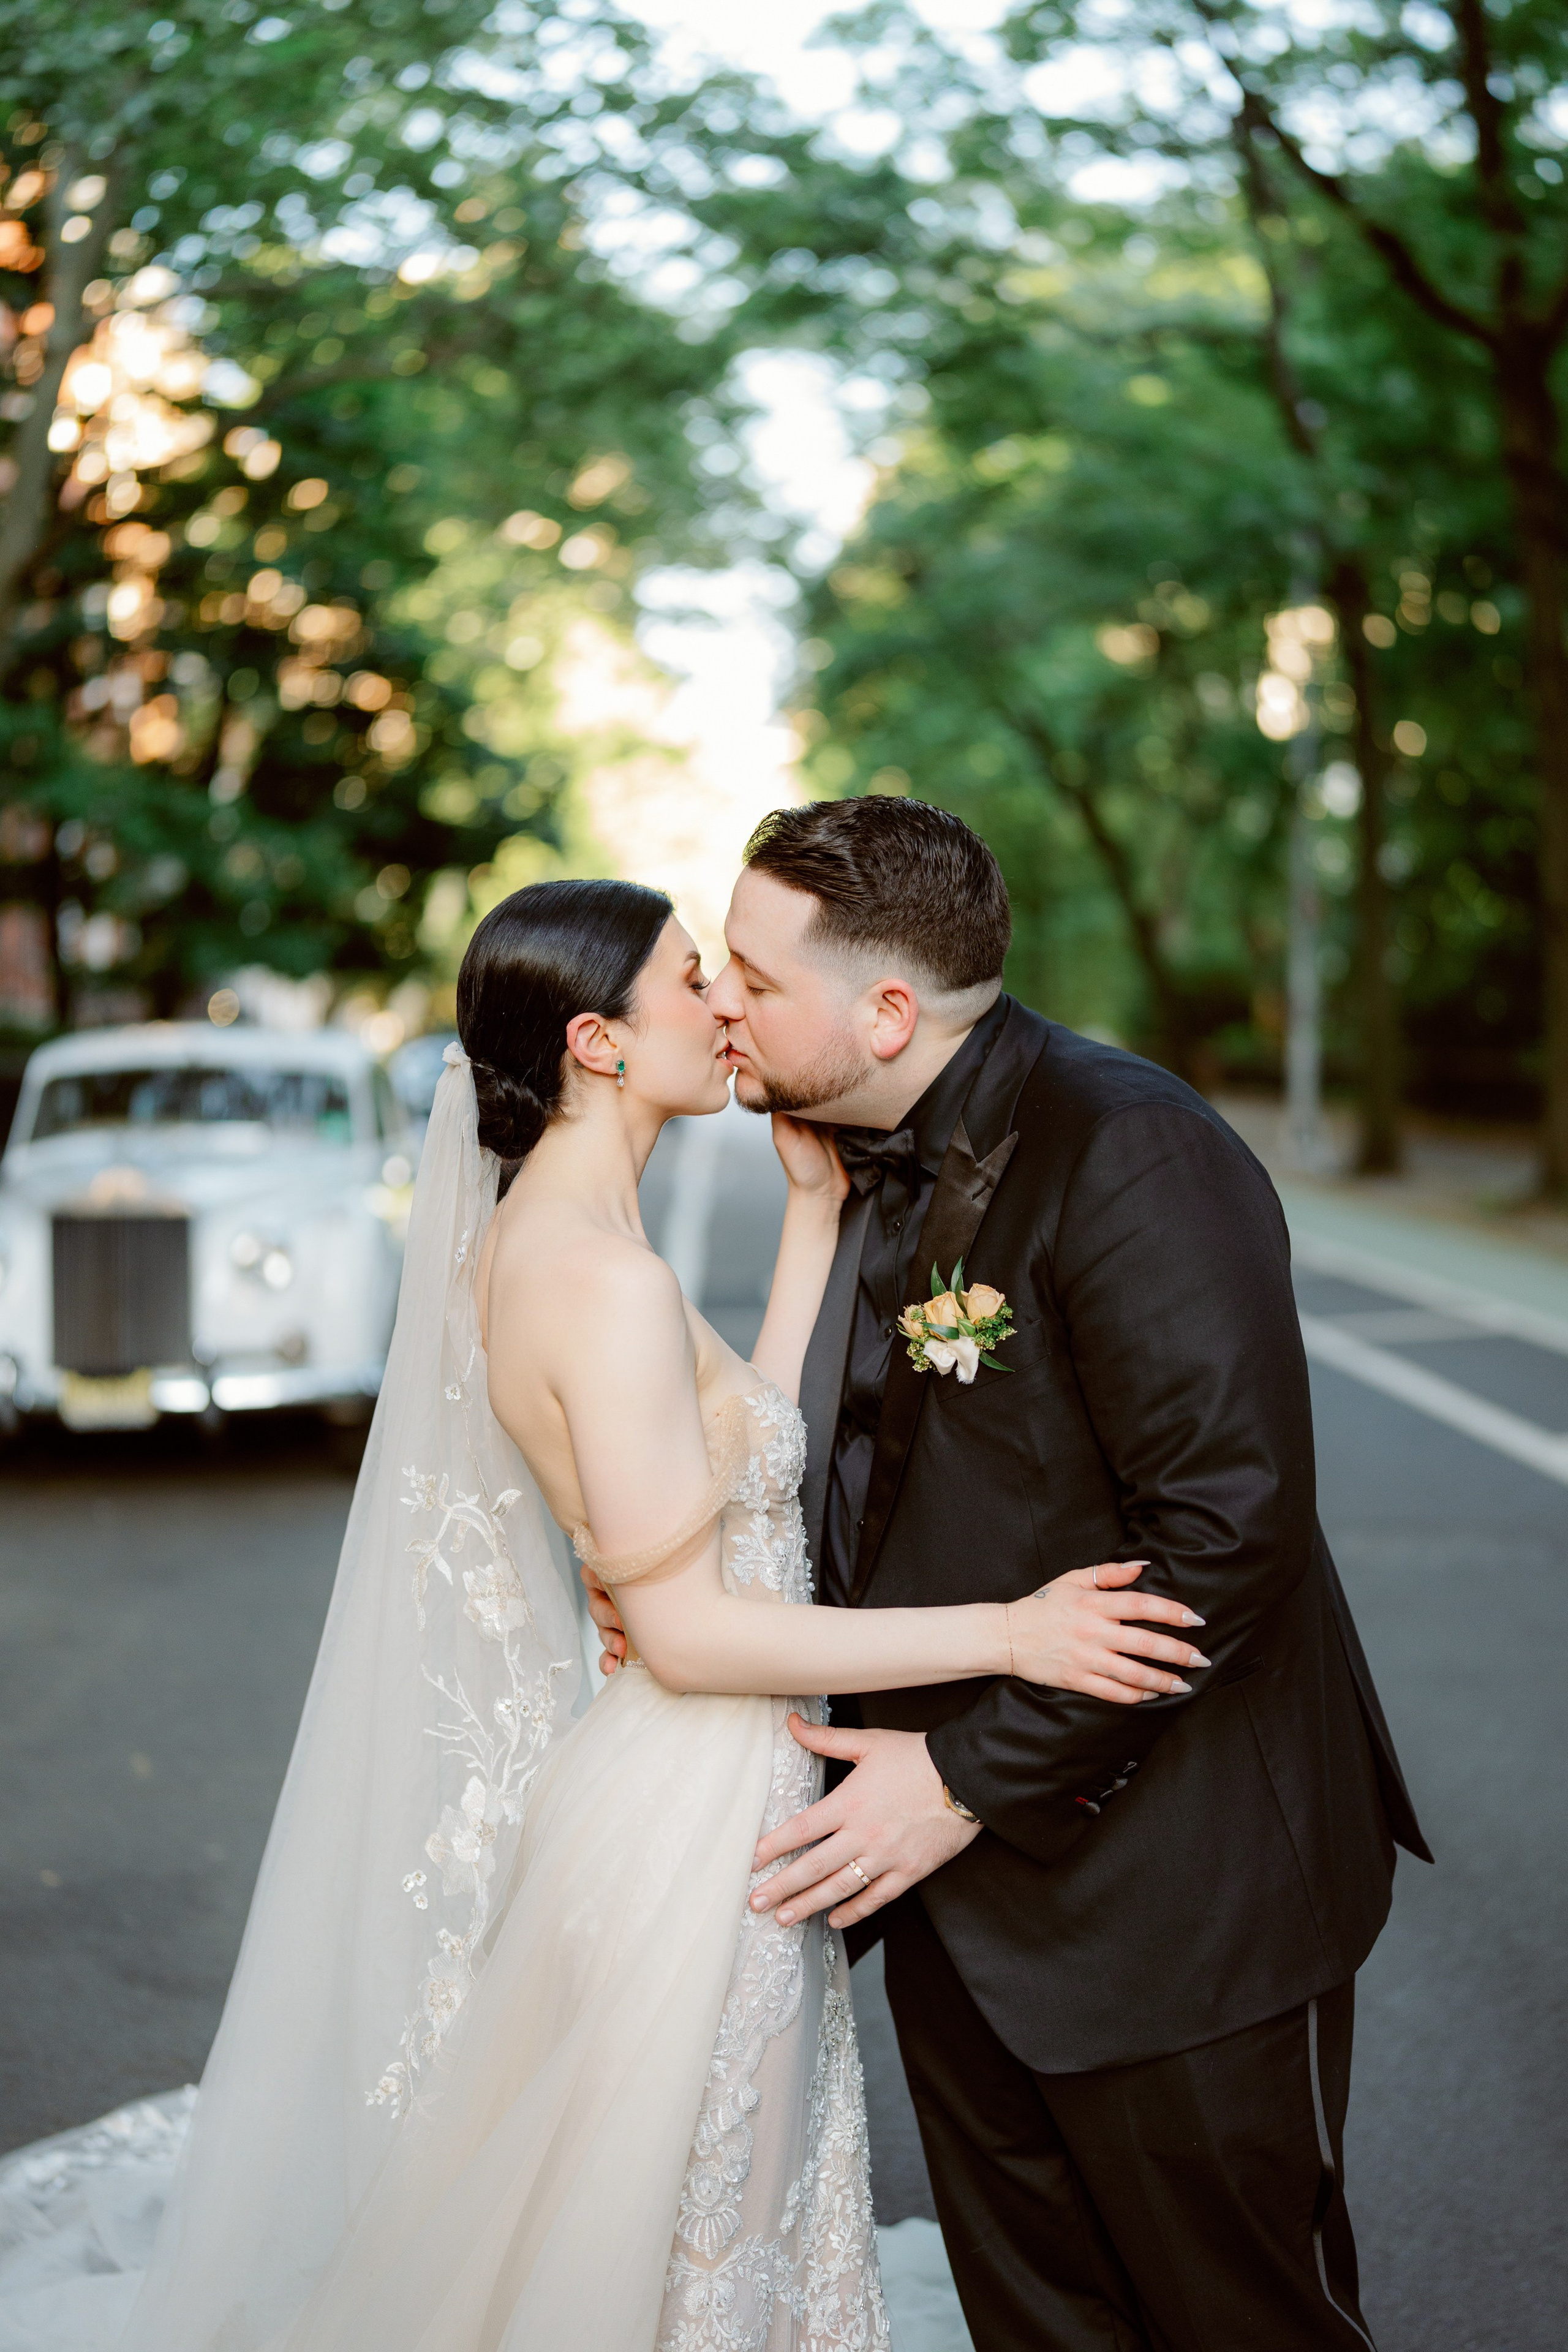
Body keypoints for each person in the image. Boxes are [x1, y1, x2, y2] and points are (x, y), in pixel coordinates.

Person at [31, 878, 1197, 2352]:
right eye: (693, 981)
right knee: (705, 2244)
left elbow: (740, 1465)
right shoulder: (604, 1281)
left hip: (700, 1785)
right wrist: (1010, 1633)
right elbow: (698, 1633)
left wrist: (813, 1213)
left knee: (705, 2234)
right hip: (695, 1818)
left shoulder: (554, 1242)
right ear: (596, 1041)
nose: (726, 1009)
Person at [589, 800, 1431, 2352]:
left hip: (1179, 1901)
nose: (720, 1001)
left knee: (1240, 2322)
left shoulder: (1135, 1154)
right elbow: (848, 1466)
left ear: (886, 1011)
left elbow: (1224, 1536)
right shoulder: (839, 1159)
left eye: (755, 981)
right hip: (962, 1927)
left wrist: (961, 1780)